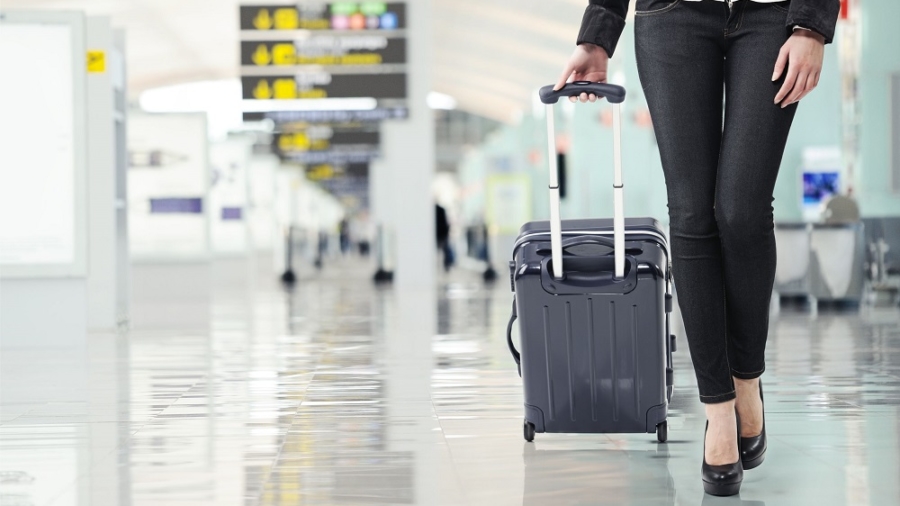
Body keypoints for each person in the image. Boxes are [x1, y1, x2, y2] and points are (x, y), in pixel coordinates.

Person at [557, 0, 839, 496]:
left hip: (771, 16)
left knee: (741, 209)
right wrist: (597, 35)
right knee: (690, 213)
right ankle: (718, 408)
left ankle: (746, 378)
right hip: (672, 16)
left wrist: (813, 24)